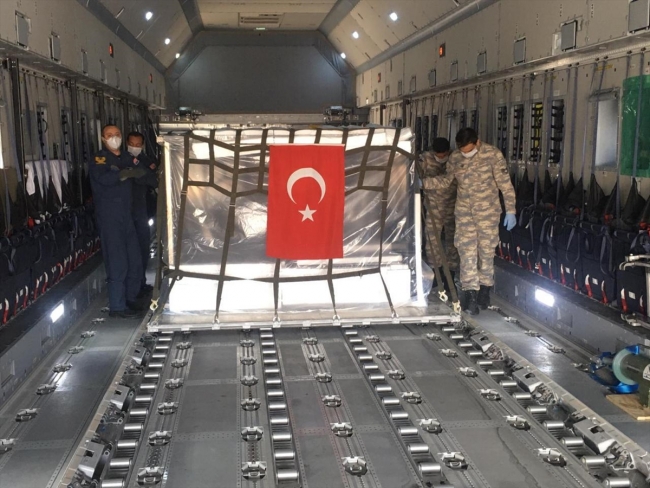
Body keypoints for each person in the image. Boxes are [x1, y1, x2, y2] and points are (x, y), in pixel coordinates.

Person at [423, 128, 516, 315]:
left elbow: (505, 185)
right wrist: (423, 183)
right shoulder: (455, 157)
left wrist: (511, 211)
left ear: (477, 142)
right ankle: (470, 295)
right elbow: (446, 181)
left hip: (488, 214)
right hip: (464, 214)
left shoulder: (493, 155)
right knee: (467, 254)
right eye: (462, 150)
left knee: (486, 253)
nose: (465, 154)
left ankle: (485, 290)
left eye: (469, 150)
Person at [89, 125, 146, 318]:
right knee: (117, 261)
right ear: (103, 139)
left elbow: (142, 171)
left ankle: (130, 298)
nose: (114, 138)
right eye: (109, 135)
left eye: (117, 135)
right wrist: (123, 174)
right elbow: (103, 178)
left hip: (127, 215)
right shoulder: (100, 159)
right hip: (110, 217)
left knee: (134, 259)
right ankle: (117, 306)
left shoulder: (126, 157)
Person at [420, 137, 459, 296]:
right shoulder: (425, 159)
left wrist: (424, 183)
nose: (441, 158)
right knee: (432, 241)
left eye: (443, 155)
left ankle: (451, 274)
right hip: (433, 207)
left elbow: (448, 181)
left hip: (453, 206)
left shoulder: (456, 158)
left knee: (453, 241)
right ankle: (435, 273)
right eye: (438, 155)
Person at [126, 132, 158, 294]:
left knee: (143, 247)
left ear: (143, 145)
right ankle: (131, 286)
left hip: (142, 208)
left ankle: (141, 282)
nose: (135, 147)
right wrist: (141, 174)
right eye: (132, 144)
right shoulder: (121, 159)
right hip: (125, 210)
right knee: (129, 250)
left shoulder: (146, 160)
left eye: (138, 145)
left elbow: (153, 179)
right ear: (127, 143)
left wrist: (138, 173)